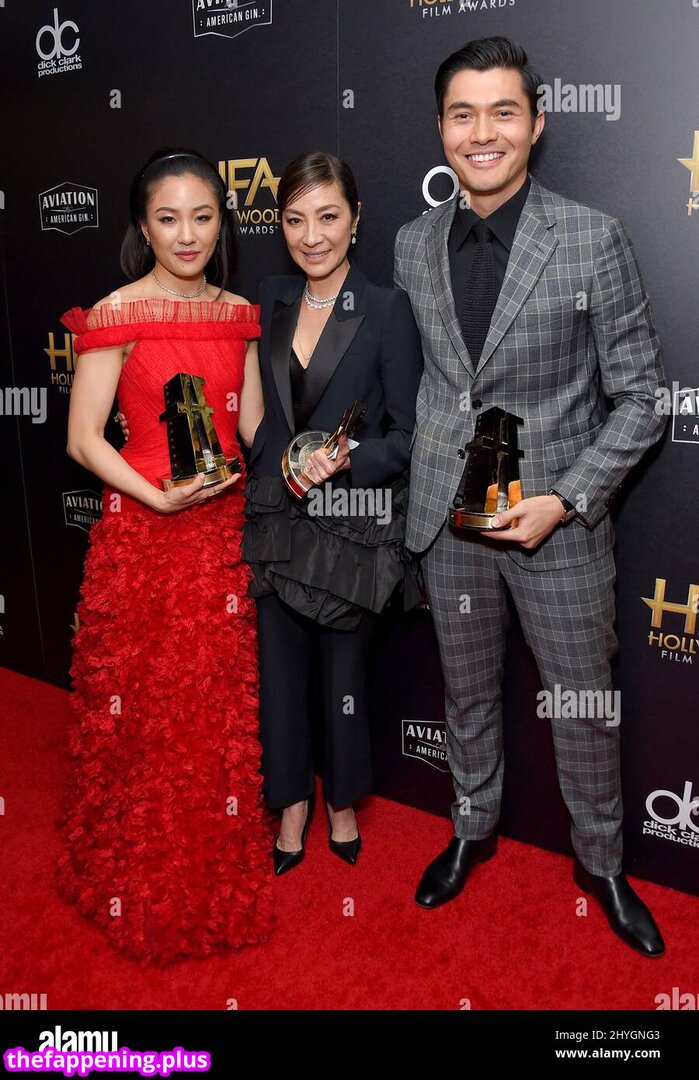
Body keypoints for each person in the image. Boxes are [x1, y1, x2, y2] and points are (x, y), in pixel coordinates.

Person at [395, 38, 667, 956]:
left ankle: (603, 864)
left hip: (555, 528)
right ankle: (470, 828)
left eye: (502, 111)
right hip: (449, 522)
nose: (482, 132)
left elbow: (643, 398)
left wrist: (566, 498)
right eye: (462, 113)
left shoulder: (590, 237)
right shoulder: (411, 242)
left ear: (537, 123)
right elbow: (433, 383)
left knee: (581, 702)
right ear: (440, 127)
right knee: (465, 695)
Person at [58, 149, 274, 964]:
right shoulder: (115, 313)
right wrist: (153, 498)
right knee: (143, 717)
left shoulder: (239, 313)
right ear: (142, 226)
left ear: (222, 223)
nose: (187, 235)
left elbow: (250, 427)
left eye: (203, 216)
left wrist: (306, 456)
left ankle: (209, 874)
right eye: (168, 218)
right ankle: (136, 875)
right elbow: (84, 440)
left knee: (211, 719)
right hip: (144, 539)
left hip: (221, 538)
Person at [243, 152, 423, 873]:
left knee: (343, 680)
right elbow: (256, 410)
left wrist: (350, 459)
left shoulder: (385, 308)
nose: (311, 235)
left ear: (355, 220)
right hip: (275, 518)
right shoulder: (270, 297)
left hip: (349, 526)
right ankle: (291, 804)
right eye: (294, 219)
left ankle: (342, 803)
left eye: (327, 216)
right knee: (279, 678)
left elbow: (407, 435)